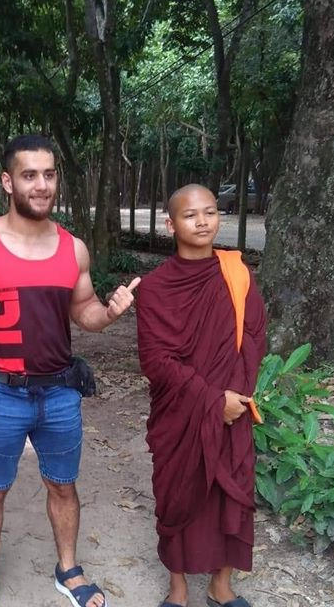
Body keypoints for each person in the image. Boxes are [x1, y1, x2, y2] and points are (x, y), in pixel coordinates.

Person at [0, 134, 139, 607]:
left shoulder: (73, 248)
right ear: (8, 182)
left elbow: (83, 310)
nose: (41, 185)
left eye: (48, 174)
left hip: (60, 393)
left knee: (63, 486)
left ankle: (68, 570)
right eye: (29, 175)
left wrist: (109, 313)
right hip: (0, 395)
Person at [135, 184, 266, 607]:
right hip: (181, 411)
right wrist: (212, 400)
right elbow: (156, 360)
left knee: (232, 491)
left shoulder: (236, 274)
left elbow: (253, 336)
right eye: (190, 215)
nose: (203, 221)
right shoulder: (155, 287)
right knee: (177, 492)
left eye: (210, 212)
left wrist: (236, 397)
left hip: (233, 404)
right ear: (170, 224)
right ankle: (178, 589)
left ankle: (220, 586)